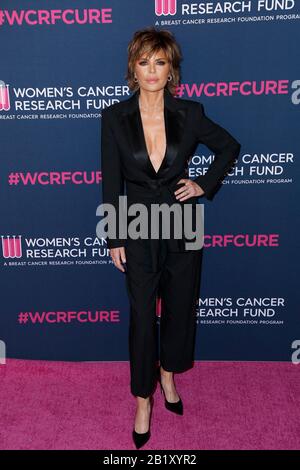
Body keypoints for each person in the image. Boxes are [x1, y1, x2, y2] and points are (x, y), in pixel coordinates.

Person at [101, 27, 241, 449]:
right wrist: (114, 237)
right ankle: (143, 398)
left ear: (171, 70)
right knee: (143, 318)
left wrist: (203, 184)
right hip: (139, 226)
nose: (151, 70)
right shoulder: (114, 118)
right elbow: (112, 183)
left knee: (180, 310)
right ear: (133, 67)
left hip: (182, 225)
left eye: (159, 62)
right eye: (144, 61)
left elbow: (229, 147)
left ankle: (168, 375)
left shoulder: (190, 114)